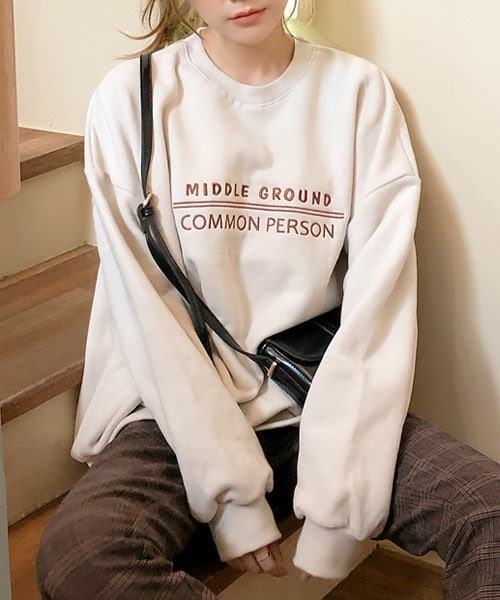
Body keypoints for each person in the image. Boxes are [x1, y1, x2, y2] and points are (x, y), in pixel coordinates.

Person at [37, 1, 500, 598]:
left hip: (314, 401)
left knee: (489, 515)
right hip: (172, 416)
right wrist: (231, 495)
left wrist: (339, 508)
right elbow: (146, 311)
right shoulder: (134, 98)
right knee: (82, 556)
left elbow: (378, 305)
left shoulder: (356, 92)